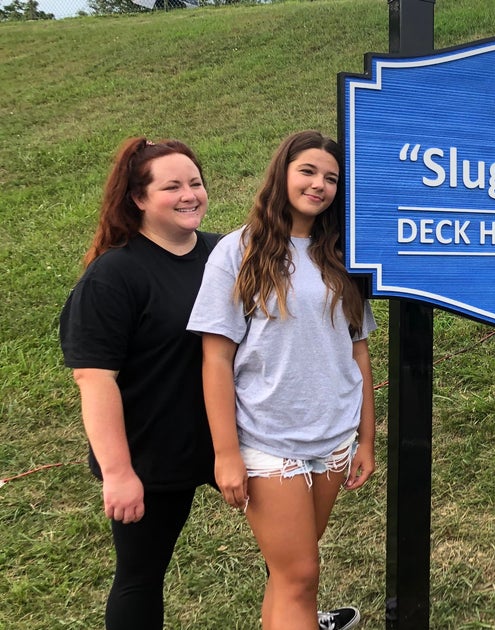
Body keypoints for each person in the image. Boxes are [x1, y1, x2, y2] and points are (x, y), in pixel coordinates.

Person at [188, 131, 376, 630]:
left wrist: (366, 439)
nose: (319, 185)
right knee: (301, 576)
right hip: (268, 440)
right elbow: (215, 359)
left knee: (290, 575)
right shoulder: (239, 251)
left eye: (331, 178)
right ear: (282, 174)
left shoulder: (343, 256)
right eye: (308, 171)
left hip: (334, 437)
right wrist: (226, 453)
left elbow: (358, 349)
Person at [58, 138, 219, 629]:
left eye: (195, 183)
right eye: (171, 187)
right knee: (141, 577)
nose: (188, 195)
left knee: (288, 548)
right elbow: (93, 378)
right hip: (152, 452)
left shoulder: (223, 253)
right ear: (138, 198)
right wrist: (118, 473)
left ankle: (298, 617)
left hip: (230, 438)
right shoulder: (114, 275)